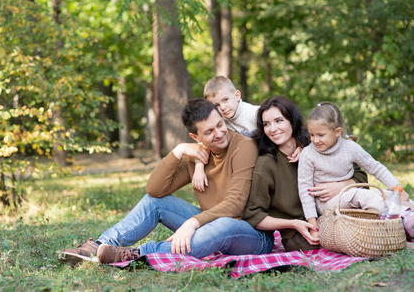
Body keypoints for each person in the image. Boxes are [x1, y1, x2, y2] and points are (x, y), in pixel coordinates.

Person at [58, 98, 272, 265]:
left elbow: (235, 204)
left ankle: (137, 254)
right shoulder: (197, 155)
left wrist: (193, 222)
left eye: (219, 125)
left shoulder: (244, 146)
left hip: (252, 235)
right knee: (155, 203)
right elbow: (154, 190)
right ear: (195, 137)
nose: (219, 133)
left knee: (224, 225)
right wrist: (178, 151)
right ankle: (99, 246)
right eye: (209, 131)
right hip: (210, 224)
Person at [242, 96, 369, 251]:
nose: (273, 129)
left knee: (376, 219)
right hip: (302, 234)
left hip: (341, 215)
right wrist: (292, 223)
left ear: (291, 120)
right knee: (357, 239)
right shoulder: (266, 164)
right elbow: (253, 215)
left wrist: (340, 186)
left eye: (279, 120)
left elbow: (360, 176)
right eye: (266, 124)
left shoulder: (315, 143)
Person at [298, 101, 414, 241]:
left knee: (385, 194)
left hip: (349, 193)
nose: (315, 140)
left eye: (320, 135)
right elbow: (305, 191)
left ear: (337, 132)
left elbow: (375, 167)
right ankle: (404, 218)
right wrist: (313, 224)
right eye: (311, 135)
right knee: (363, 195)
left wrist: (397, 188)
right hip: (326, 202)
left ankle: (409, 213)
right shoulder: (308, 154)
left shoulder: (350, 147)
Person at [192, 76, 302, 192]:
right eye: (216, 105)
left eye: (225, 100)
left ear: (237, 96)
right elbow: (203, 144)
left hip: (272, 162)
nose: (223, 108)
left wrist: (300, 146)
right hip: (247, 167)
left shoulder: (255, 114)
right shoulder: (221, 123)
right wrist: (198, 167)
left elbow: (286, 130)